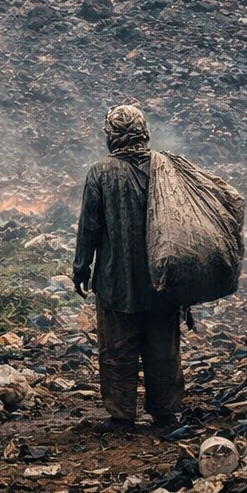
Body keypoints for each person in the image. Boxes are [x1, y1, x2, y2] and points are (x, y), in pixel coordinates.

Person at [73, 103, 185, 432]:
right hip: (162, 278)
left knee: (117, 348)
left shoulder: (101, 172)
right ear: (143, 132)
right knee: (162, 347)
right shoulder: (165, 167)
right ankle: (165, 413)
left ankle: (122, 415)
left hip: (115, 279)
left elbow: (89, 227)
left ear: (111, 135)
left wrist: (81, 267)